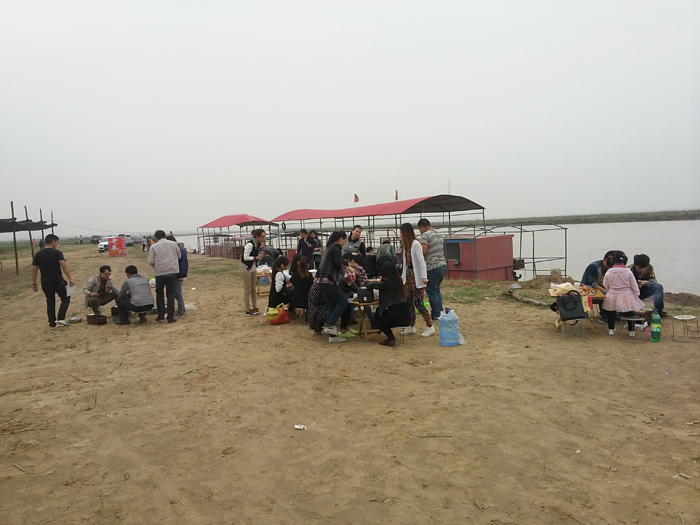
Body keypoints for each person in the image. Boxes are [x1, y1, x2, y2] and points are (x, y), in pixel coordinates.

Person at [316, 231, 355, 342]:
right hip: (328, 280)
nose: (345, 242)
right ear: (340, 239)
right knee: (343, 302)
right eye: (345, 240)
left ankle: (332, 337)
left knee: (331, 306)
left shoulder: (328, 247)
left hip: (321, 281)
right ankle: (330, 324)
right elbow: (337, 265)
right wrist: (348, 268)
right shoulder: (336, 247)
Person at [31, 234, 75, 329]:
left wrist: (34, 284)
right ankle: (61, 318)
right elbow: (63, 265)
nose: (57, 244)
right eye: (57, 242)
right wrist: (70, 278)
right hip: (57, 281)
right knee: (66, 298)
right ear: (53, 242)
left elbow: (34, 269)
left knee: (50, 302)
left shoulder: (38, 254)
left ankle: (52, 324)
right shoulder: (57, 253)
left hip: (45, 282)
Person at [400, 223, 435, 337]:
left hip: (416, 277)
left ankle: (430, 326)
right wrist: (403, 278)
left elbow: (421, 261)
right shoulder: (406, 246)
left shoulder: (415, 244)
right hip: (409, 277)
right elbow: (405, 265)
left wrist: (424, 277)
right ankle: (411, 326)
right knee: (409, 302)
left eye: (401, 232)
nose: (400, 235)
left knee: (419, 303)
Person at [365, 261, 411, 346]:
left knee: (377, 318)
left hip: (394, 315)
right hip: (406, 315)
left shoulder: (385, 283)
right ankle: (390, 338)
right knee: (379, 312)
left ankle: (391, 338)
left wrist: (366, 282)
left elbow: (371, 285)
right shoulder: (399, 282)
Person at [602, 251, 645, 336]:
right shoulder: (628, 271)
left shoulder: (609, 271)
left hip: (613, 295)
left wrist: (610, 289)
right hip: (627, 295)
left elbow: (605, 284)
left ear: (612, 260)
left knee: (612, 313)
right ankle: (631, 331)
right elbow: (633, 284)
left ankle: (611, 329)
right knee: (630, 313)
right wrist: (636, 294)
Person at [147, 229, 181, 323]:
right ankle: (170, 316)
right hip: (172, 271)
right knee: (170, 295)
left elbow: (151, 261)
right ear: (165, 236)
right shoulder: (173, 244)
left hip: (160, 273)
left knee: (159, 293)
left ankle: (161, 314)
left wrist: (156, 266)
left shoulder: (154, 247)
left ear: (156, 238)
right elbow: (179, 256)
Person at [418, 218, 448, 320]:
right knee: (436, 290)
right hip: (442, 265)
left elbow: (423, 251)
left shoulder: (425, 235)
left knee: (431, 291)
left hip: (432, 267)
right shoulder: (439, 234)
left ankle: (436, 314)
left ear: (422, 227)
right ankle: (440, 311)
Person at [582, 250, 617, 322]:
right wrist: (608, 291)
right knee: (608, 295)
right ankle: (605, 316)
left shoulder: (611, 270)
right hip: (589, 289)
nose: (610, 268)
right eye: (609, 266)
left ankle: (615, 314)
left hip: (603, 288)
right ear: (605, 260)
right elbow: (594, 284)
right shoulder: (593, 267)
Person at [241, 229, 267, 316]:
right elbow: (245, 257)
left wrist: (260, 252)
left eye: (264, 236)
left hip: (254, 267)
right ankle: (248, 309)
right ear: (257, 236)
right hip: (247, 268)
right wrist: (256, 257)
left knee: (253, 289)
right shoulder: (249, 244)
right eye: (262, 237)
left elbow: (256, 254)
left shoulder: (257, 244)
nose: (263, 238)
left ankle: (255, 307)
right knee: (247, 289)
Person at [167, 235, 188, 318]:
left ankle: (181, 311)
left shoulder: (177, 249)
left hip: (179, 273)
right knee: (177, 292)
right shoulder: (180, 248)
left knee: (177, 293)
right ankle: (182, 309)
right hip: (182, 272)